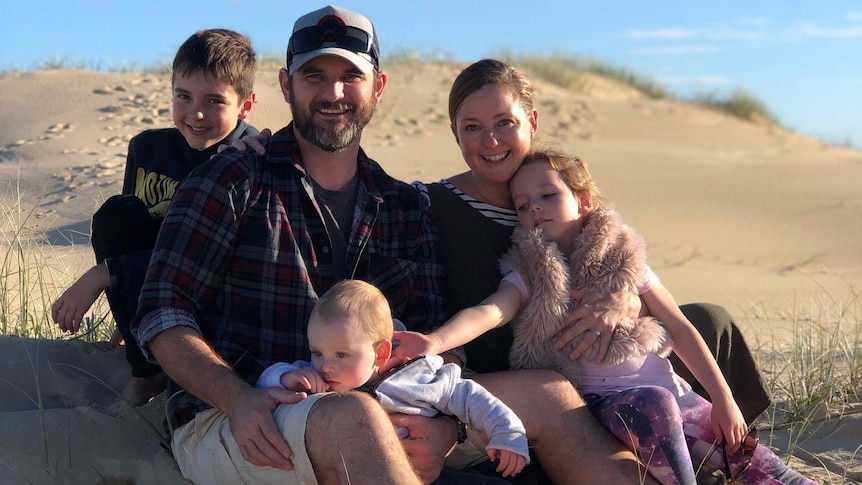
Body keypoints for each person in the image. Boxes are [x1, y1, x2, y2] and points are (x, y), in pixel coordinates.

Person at [129, 6, 462, 485]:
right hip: (238, 420)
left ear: (378, 88)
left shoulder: (406, 206)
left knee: (552, 396)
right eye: (314, 76)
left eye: (351, 76)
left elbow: (437, 333)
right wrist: (236, 398)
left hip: (387, 413)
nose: (333, 93)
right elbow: (162, 311)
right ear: (287, 86)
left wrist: (446, 426)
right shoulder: (232, 179)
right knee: (353, 418)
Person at [396, 150, 817, 485]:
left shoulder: (622, 257)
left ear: (582, 200)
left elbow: (681, 327)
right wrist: (436, 342)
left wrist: (723, 399)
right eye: (522, 205)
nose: (535, 209)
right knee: (655, 409)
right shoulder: (529, 269)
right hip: (605, 407)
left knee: (759, 464)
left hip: (674, 394)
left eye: (548, 195)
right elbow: (492, 309)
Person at [51, 28, 258, 406]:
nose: (196, 113)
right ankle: (145, 363)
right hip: (155, 285)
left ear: (246, 105)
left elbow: (213, 261)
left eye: (214, 101)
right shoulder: (149, 148)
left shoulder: (250, 159)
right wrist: (127, 316)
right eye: (183, 96)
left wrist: (104, 274)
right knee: (117, 214)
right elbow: (128, 231)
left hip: (214, 302)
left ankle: (152, 377)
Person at [257, 279, 529, 479]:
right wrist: (286, 378)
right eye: (317, 352)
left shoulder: (418, 377)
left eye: (341, 354)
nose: (326, 365)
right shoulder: (319, 378)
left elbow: (470, 397)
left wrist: (507, 433)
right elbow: (265, 383)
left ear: (381, 352)